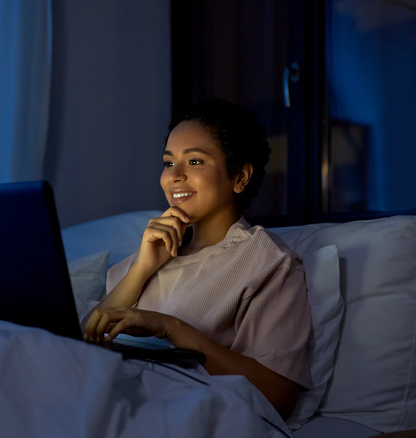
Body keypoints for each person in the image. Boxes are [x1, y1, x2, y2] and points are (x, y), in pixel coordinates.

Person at [82, 98, 312, 418]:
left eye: (194, 162)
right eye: (167, 162)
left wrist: (171, 328)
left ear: (240, 178)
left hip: (175, 411)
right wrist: (141, 269)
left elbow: (279, 397)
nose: (174, 176)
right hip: (106, 396)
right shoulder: (155, 251)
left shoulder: (268, 261)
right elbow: (84, 341)